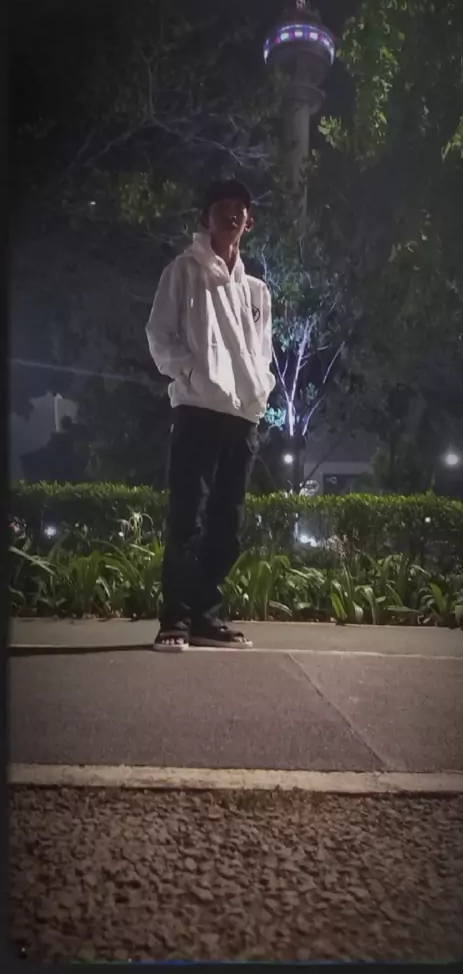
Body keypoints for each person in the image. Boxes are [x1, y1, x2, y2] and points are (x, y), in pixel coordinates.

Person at [146, 179, 275, 651]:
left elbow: (263, 352)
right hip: (198, 411)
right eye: (222, 207)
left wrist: (259, 391)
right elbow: (160, 336)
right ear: (207, 216)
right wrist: (196, 374)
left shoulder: (257, 291)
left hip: (243, 417)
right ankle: (175, 621)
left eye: (240, 208)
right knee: (188, 518)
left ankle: (205, 615)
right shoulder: (183, 271)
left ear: (249, 221)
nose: (232, 214)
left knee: (228, 523)